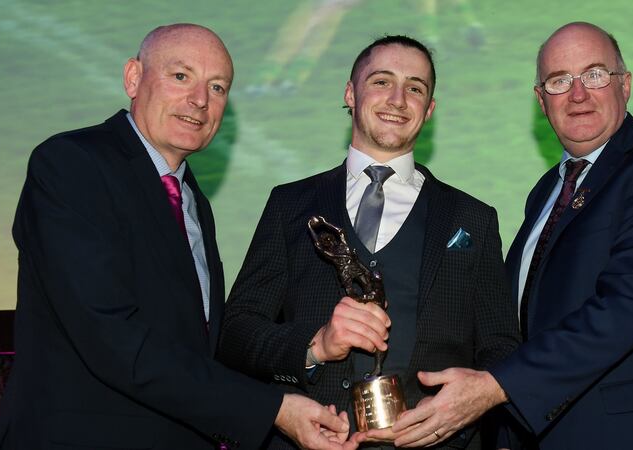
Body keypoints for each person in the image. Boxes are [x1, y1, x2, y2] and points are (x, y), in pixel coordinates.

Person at [0, 23, 353, 450]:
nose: (200, 100)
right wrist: (274, 410)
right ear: (133, 77)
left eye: (217, 87)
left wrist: (309, 355)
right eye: (181, 76)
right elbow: (112, 337)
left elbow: (198, 346)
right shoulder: (72, 164)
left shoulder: (193, 201)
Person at [390, 22, 633, 449]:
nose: (578, 94)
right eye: (559, 81)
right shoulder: (546, 191)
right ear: (541, 100)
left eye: (594, 75)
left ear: (625, 85)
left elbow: (625, 307)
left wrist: (493, 388)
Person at [216, 35, 519, 449]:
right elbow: (236, 334)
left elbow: (501, 346)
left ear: (428, 109)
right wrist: (314, 345)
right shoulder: (289, 205)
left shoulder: (474, 219)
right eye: (381, 81)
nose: (398, 98)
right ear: (350, 94)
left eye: (415, 87)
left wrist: (463, 411)